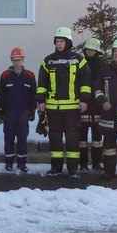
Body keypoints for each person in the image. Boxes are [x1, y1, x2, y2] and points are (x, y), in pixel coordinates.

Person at [37, 27, 91, 179]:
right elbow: (42, 82)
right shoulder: (48, 60)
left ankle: (73, 169)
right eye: (57, 41)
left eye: (62, 41)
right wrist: (40, 100)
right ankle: (56, 168)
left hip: (72, 108)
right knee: (54, 138)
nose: (59, 44)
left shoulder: (78, 59)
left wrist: (85, 100)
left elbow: (86, 80)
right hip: (53, 107)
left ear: (68, 42)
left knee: (73, 138)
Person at [93, 39, 117, 179]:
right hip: (108, 113)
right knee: (108, 145)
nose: (116, 53)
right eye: (115, 50)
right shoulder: (106, 69)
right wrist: (102, 101)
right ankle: (109, 171)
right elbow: (97, 88)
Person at [0, 47, 37, 172]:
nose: (16, 63)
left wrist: (32, 111)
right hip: (10, 112)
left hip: (24, 112)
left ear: (23, 59)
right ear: (11, 60)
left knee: (22, 138)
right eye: (14, 60)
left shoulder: (30, 75)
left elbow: (33, 94)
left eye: (18, 60)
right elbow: (1, 94)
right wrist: (1, 110)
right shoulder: (5, 75)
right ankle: (8, 163)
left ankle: (22, 163)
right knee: (9, 137)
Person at [79, 38, 105, 172]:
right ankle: (83, 164)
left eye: (92, 50)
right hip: (84, 106)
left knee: (97, 138)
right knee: (81, 138)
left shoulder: (102, 65)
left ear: (97, 51)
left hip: (97, 106)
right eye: (88, 50)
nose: (89, 52)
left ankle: (96, 163)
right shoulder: (80, 63)